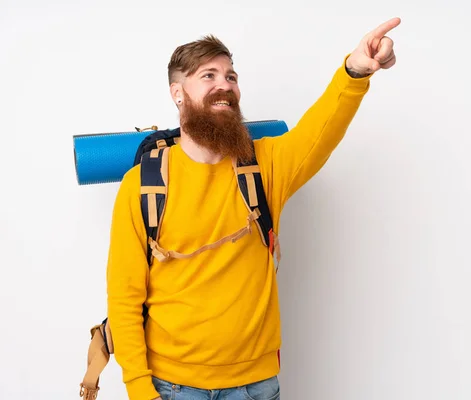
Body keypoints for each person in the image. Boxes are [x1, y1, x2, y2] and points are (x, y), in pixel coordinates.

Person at [106, 17, 400, 400]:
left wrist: (354, 72)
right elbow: (124, 298)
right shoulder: (144, 184)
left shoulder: (265, 166)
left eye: (231, 76)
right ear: (178, 93)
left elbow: (320, 131)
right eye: (208, 76)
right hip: (170, 385)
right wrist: (139, 390)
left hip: (255, 386)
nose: (224, 85)